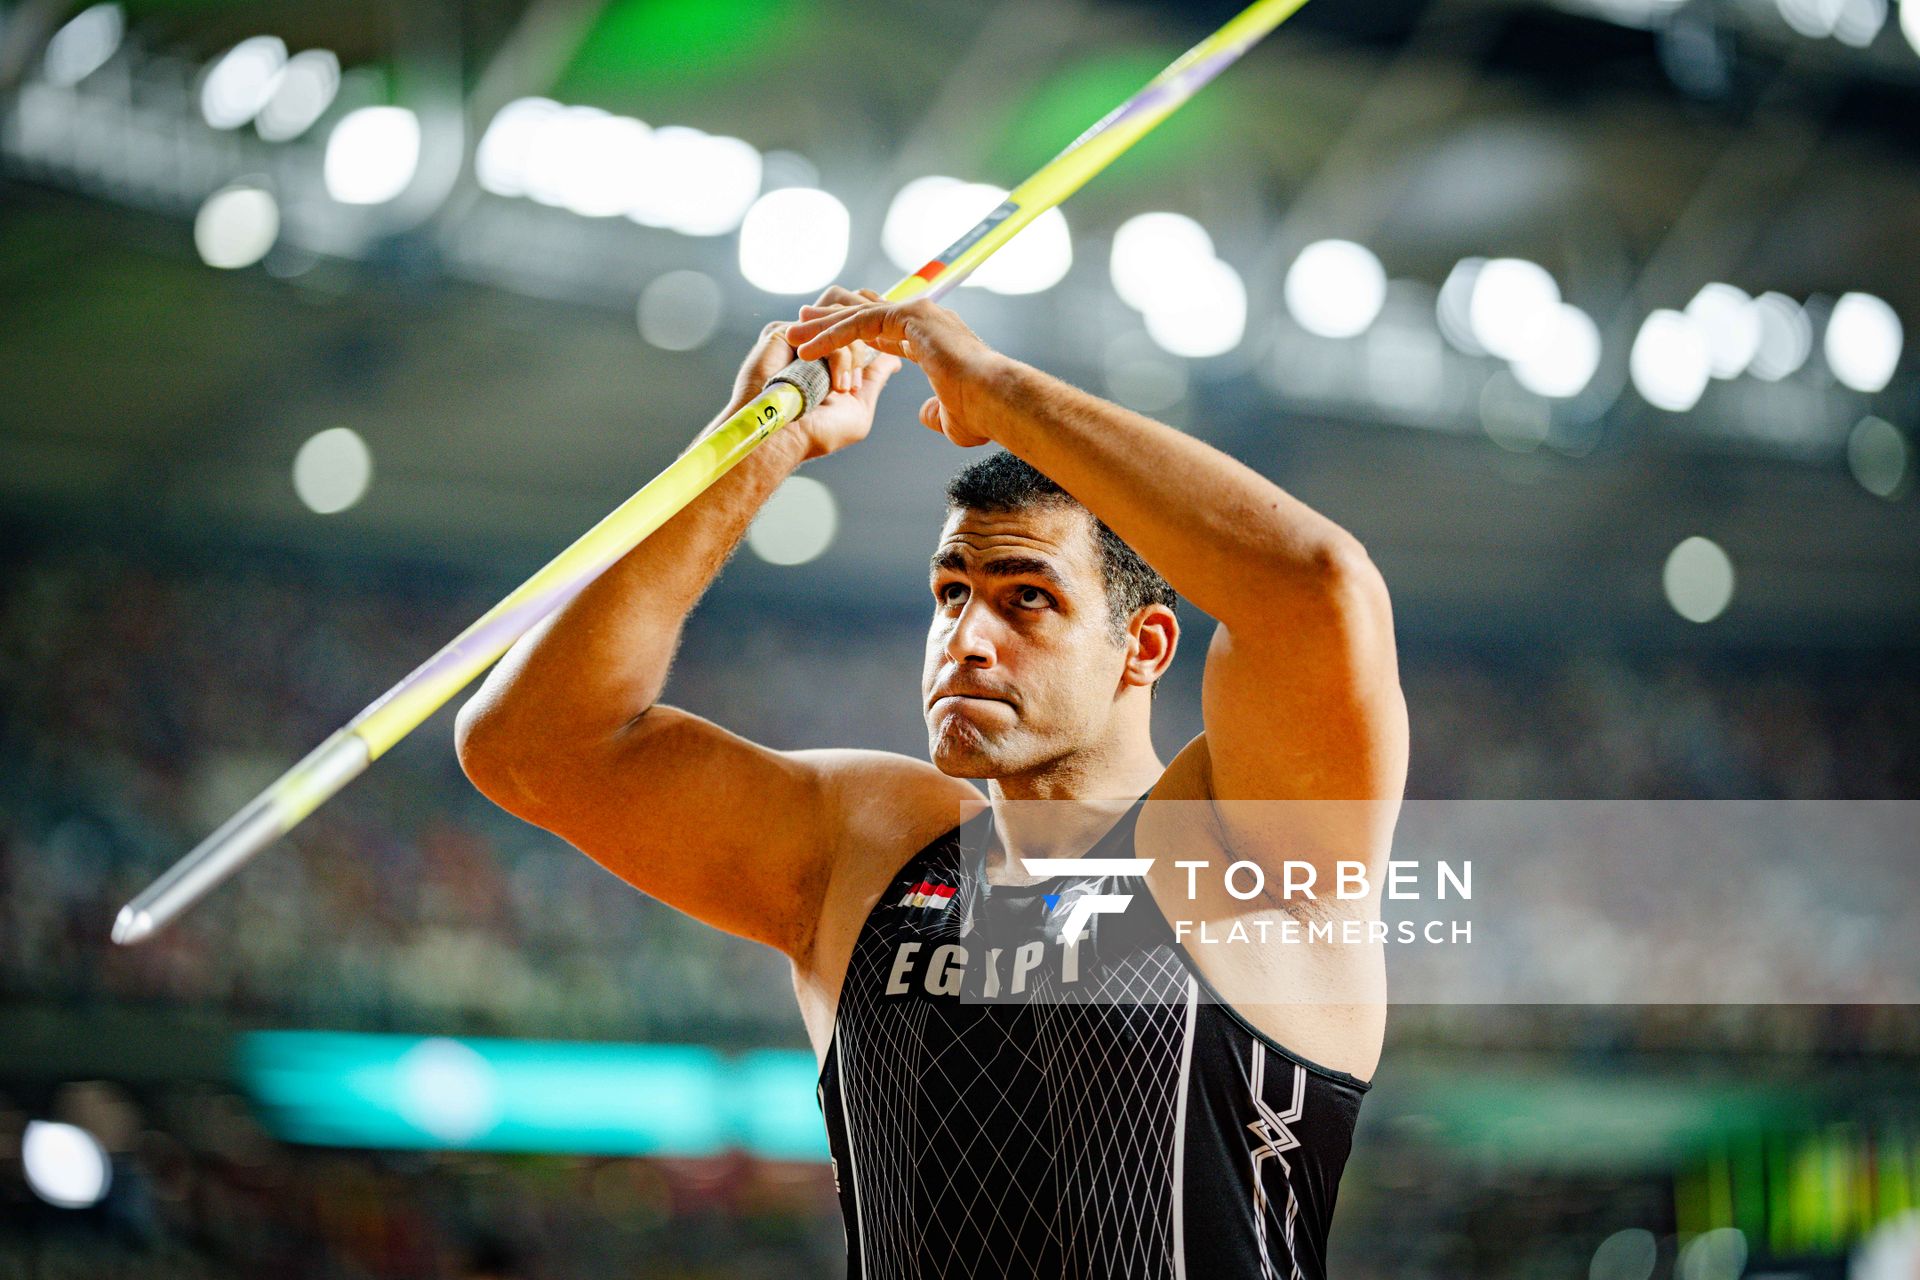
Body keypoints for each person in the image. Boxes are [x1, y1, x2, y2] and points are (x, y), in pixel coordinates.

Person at [455, 286, 1408, 1279]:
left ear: (1143, 645)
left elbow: (1318, 587)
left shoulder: (1246, 845)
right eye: (951, 592)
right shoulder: (872, 844)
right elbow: (532, 744)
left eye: (1026, 597)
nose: (969, 639)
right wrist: (754, 449)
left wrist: (996, 391)